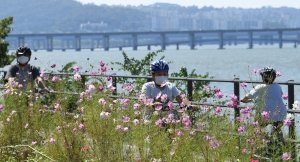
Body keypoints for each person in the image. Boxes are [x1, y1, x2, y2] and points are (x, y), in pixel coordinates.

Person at [241, 66, 286, 149]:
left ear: (262, 78)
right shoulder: (278, 86)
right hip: (280, 113)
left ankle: (256, 147)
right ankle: (283, 146)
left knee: (256, 128)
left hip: (266, 114)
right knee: (277, 129)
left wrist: (244, 100)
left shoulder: (259, 87)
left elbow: (245, 98)